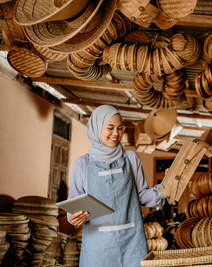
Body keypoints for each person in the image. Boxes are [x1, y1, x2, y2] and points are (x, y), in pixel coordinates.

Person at [67, 105, 166, 267]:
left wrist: (165, 187)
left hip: (131, 243)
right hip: (98, 246)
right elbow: (74, 205)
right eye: (110, 128)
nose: (116, 134)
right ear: (97, 129)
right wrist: (74, 217)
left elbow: (143, 195)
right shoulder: (83, 164)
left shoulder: (131, 158)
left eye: (120, 128)